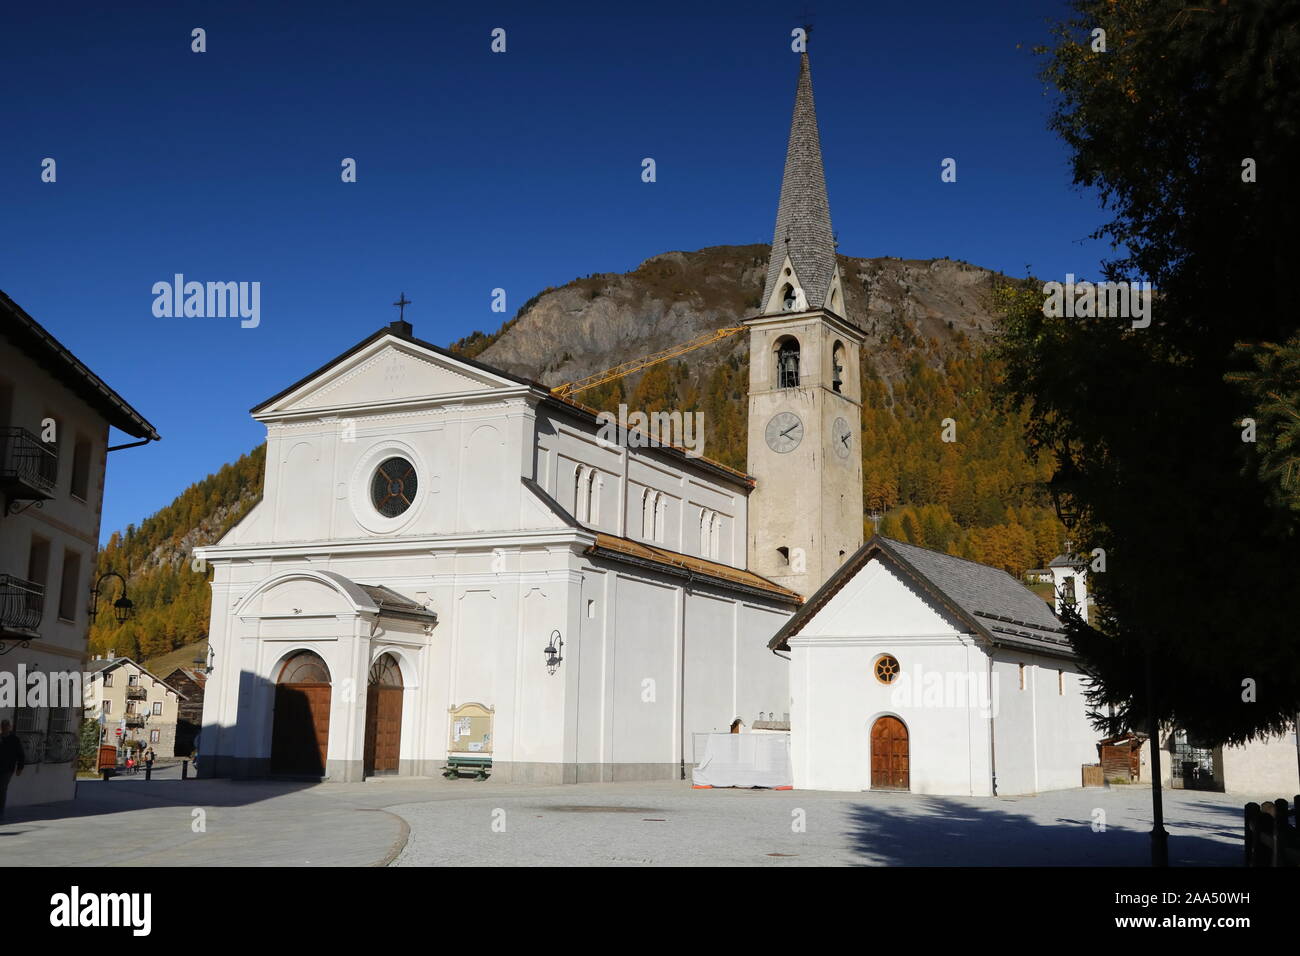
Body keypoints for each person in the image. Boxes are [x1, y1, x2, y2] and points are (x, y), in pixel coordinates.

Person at [1, 720, 26, 818]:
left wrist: (20, 767)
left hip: (7, 769)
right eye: (3, 726)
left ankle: (1, 811)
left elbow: (21, 755)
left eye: (6, 726)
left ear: (9, 727)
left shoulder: (14, 740)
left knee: (2, 789)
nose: (4, 728)